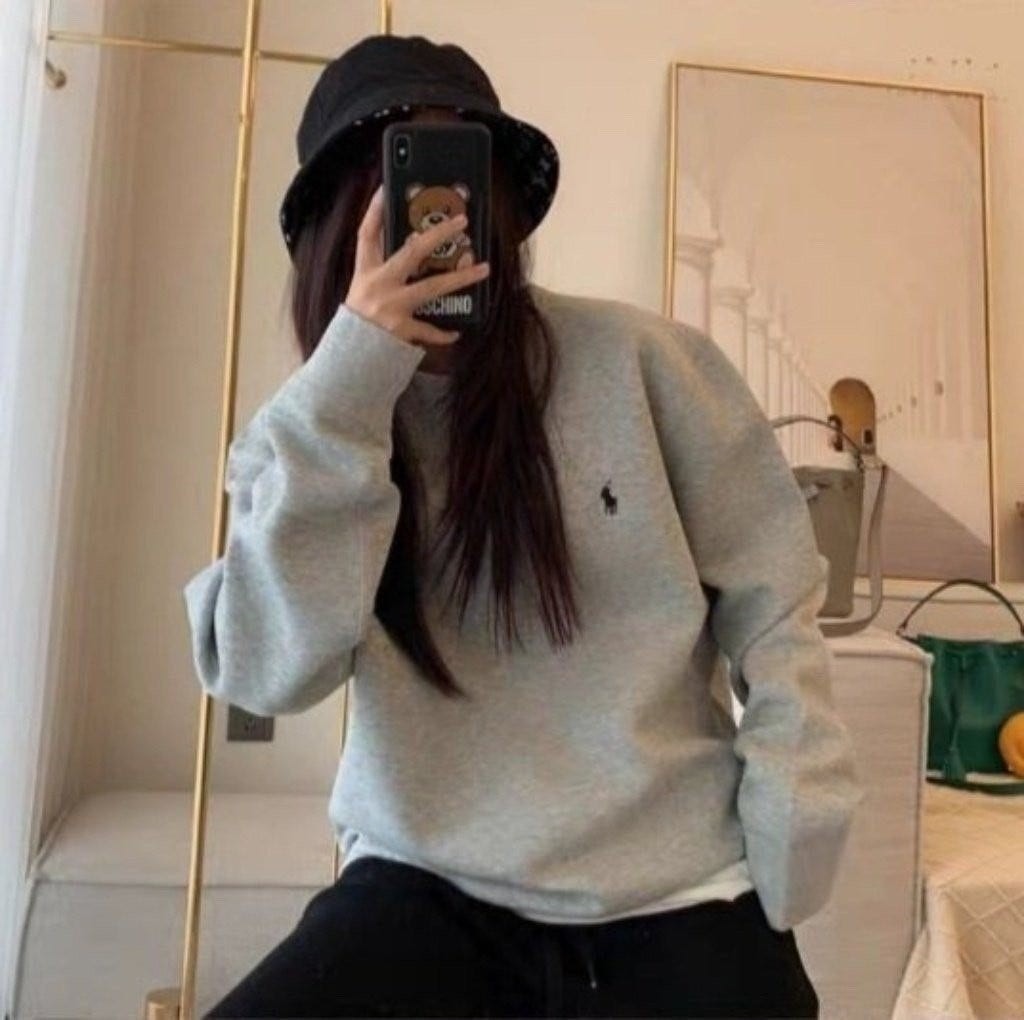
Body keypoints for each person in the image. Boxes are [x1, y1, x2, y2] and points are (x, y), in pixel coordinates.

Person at [183, 32, 867, 1019]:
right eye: (397, 181)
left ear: (499, 204)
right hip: (426, 884)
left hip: (679, 890)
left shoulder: (649, 365)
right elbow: (264, 676)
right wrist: (352, 381)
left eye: (458, 179)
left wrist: (792, 819)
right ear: (344, 219)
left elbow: (777, 603)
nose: (434, 220)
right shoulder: (312, 429)